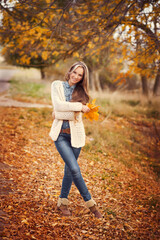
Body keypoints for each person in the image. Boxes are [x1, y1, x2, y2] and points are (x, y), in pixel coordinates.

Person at [49, 61, 102, 218]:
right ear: (70, 71)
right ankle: (91, 204)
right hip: (60, 135)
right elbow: (58, 106)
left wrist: (59, 113)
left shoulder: (83, 94)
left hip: (76, 136)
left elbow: (59, 113)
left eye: (80, 75)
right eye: (75, 72)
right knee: (74, 169)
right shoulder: (56, 85)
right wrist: (78, 107)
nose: (76, 77)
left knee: (69, 170)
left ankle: (62, 202)